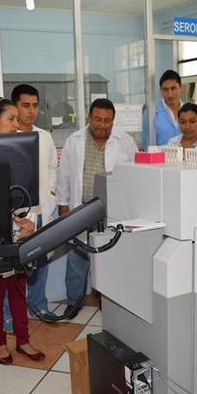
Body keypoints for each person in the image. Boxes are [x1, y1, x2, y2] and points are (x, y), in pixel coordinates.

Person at [57, 98, 138, 319]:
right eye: (98, 119)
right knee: (77, 258)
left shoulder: (125, 142)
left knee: (110, 257)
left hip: (111, 210)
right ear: (89, 117)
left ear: (113, 121)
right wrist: (63, 206)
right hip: (81, 209)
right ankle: (74, 301)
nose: (102, 125)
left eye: (107, 121)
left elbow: (134, 176)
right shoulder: (74, 141)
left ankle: (107, 301)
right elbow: (64, 175)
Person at [0, 97, 46, 365]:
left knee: (19, 289)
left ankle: (23, 340)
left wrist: (27, 220)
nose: (17, 125)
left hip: (18, 227)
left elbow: (26, 190)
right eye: (11, 119)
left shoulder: (18, 149)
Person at [11, 84, 58, 318]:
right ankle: (11, 314)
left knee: (41, 261)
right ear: (15, 106)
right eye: (25, 105)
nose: (31, 111)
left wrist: (50, 194)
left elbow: (52, 169)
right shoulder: (8, 136)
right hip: (19, 215)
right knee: (15, 267)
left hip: (43, 211)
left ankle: (40, 305)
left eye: (35, 106)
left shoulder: (45, 136)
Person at [142, 70, 183, 149]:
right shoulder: (151, 113)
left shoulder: (189, 111)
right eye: (165, 89)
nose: (170, 94)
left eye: (173, 88)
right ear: (161, 90)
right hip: (161, 160)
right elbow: (147, 145)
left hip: (188, 158)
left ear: (180, 87)